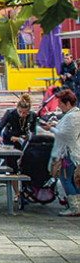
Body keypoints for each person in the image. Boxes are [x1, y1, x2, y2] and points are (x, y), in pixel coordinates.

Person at [49, 88, 80, 217]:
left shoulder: (72, 116)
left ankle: (75, 207)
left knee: (66, 180)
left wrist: (50, 128)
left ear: (68, 103)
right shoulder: (75, 114)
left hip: (68, 153)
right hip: (73, 152)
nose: (59, 107)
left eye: (61, 104)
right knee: (75, 180)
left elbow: (65, 134)